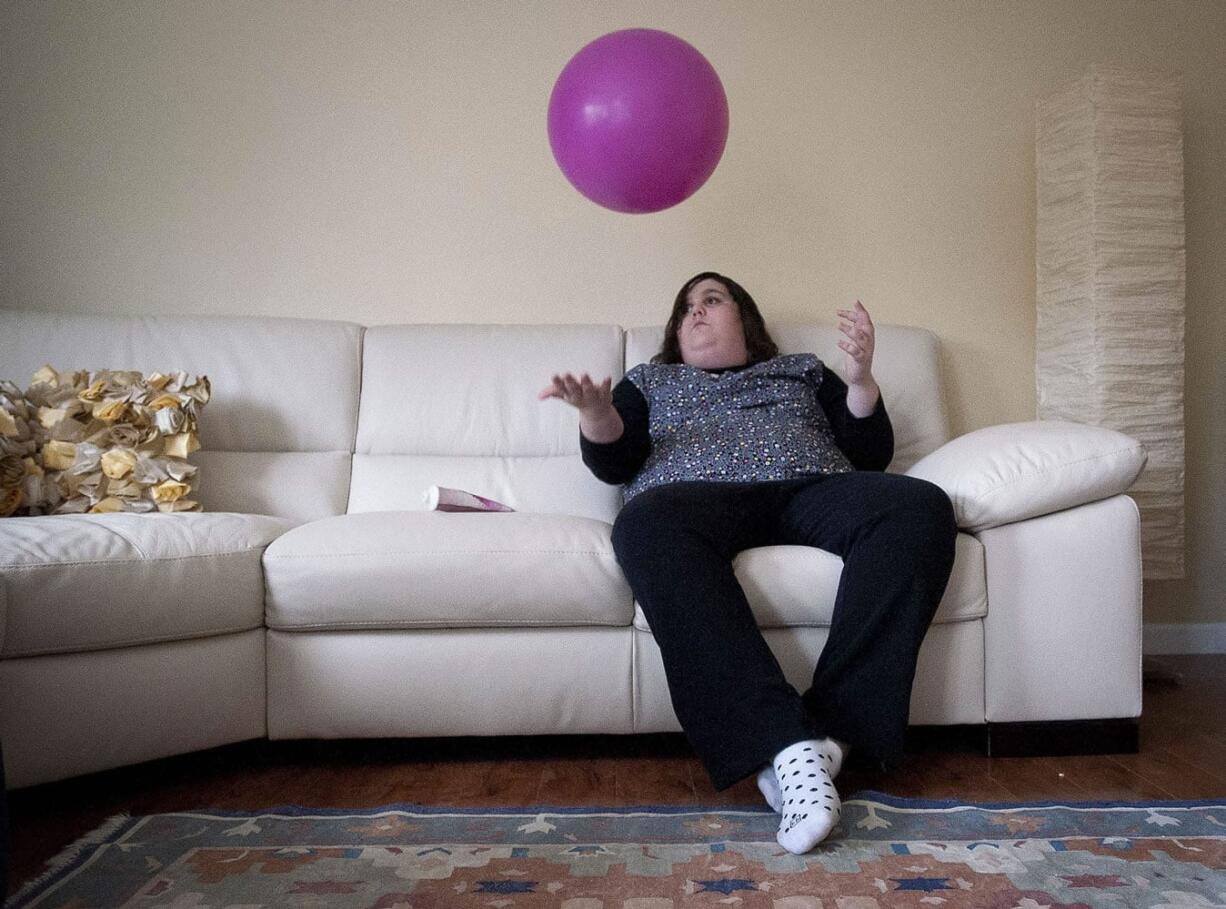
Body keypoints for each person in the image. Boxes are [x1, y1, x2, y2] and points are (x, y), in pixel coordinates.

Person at [538, 272, 957, 854]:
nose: (696, 314)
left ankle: (827, 735)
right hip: (693, 497)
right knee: (644, 525)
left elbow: (870, 455)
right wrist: (595, 413)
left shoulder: (804, 370)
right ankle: (788, 746)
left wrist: (860, 380)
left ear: (747, 320)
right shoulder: (652, 379)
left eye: (712, 300)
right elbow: (617, 461)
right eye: (685, 309)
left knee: (919, 506)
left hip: (811, 485)